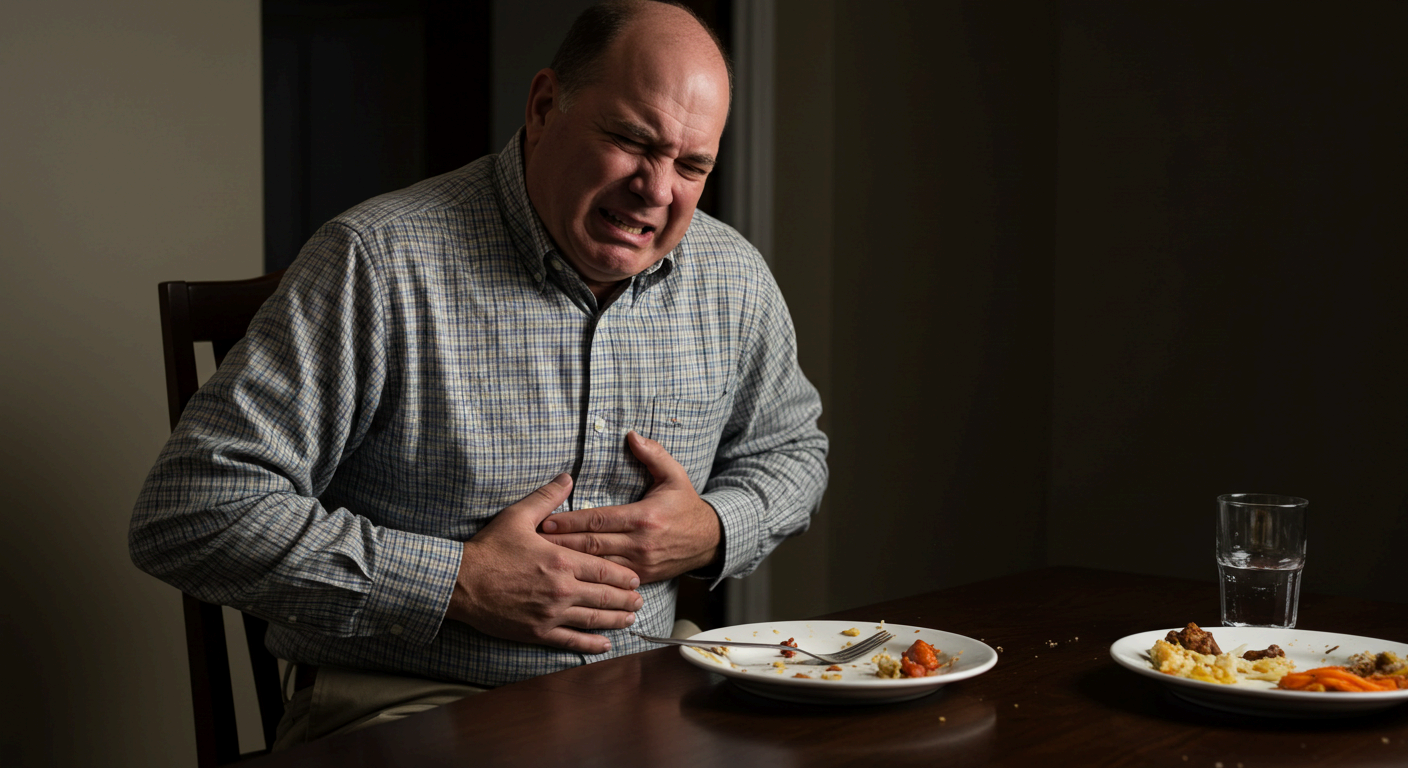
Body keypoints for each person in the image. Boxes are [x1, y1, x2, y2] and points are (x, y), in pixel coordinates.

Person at [130, 0, 827, 746]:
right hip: (409, 705)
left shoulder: (733, 277)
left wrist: (714, 529)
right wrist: (456, 583)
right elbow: (191, 512)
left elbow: (793, 454)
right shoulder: (377, 262)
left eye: (691, 165)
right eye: (631, 140)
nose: (658, 191)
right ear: (543, 106)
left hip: (644, 695)